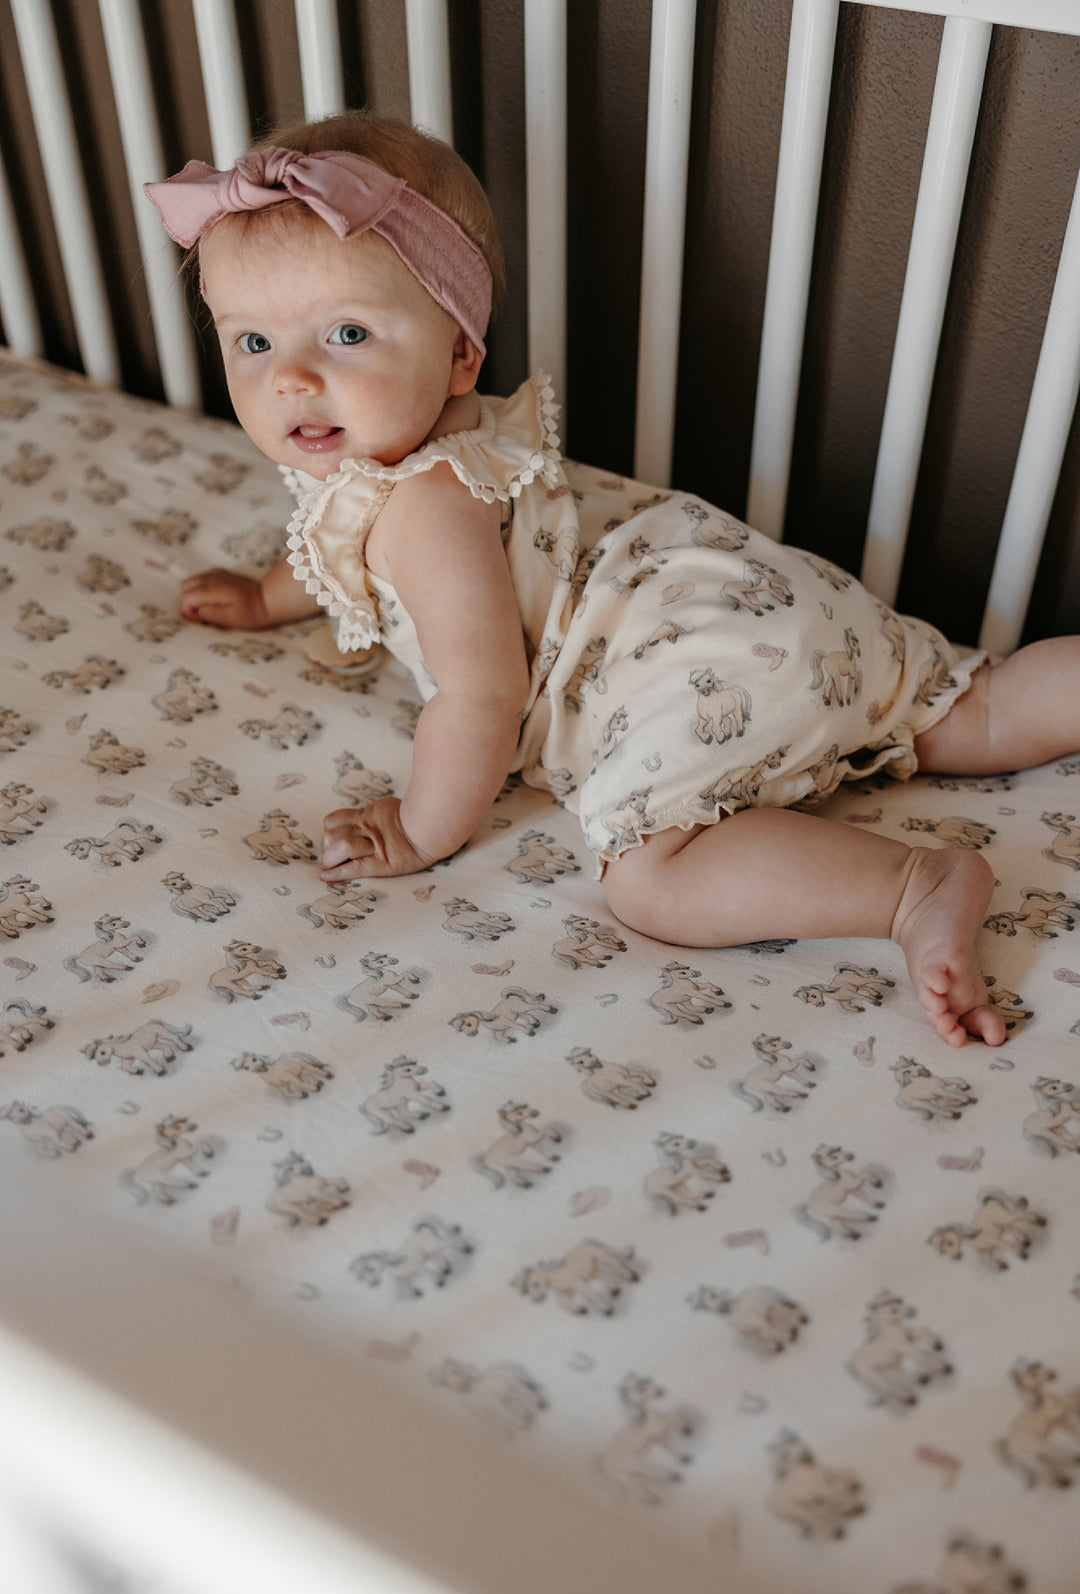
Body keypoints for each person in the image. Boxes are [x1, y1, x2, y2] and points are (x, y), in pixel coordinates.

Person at [146, 111, 1080, 1051]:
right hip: (767, 603)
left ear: (459, 350)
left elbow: (483, 693)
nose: (291, 380)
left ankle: (911, 886)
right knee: (977, 710)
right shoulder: (423, 449)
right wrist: (268, 596)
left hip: (688, 669)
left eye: (346, 333)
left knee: (653, 880)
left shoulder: (426, 511)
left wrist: (419, 830)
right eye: (252, 343)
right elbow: (338, 538)